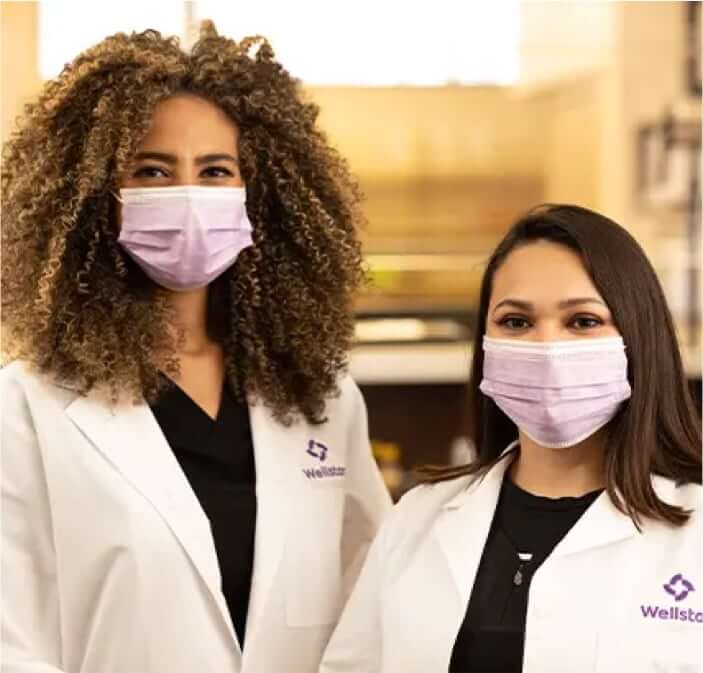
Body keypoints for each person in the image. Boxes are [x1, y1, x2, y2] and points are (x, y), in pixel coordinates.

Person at [1, 22, 391, 673]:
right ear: (94, 197)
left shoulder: (320, 399)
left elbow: (369, 606)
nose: (187, 194)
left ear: (260, 197)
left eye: (216, 170)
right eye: (151, 169)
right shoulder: (24, 410)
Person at [320, 204, 702, 673]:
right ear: (486, 343)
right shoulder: (419, 520)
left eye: (582, 321)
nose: (546, 346)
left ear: (638, 339)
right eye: (516, 322)